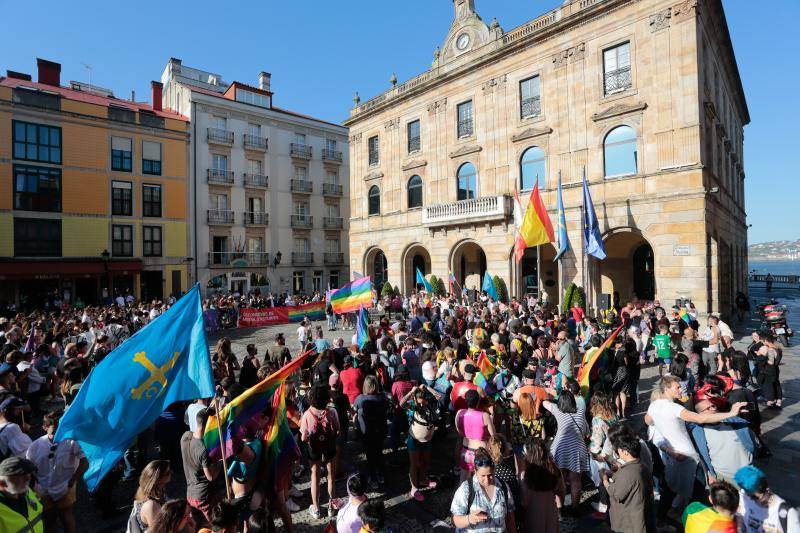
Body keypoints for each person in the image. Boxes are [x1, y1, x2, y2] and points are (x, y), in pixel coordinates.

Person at [645, 376, 747, 515]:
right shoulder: (674, 408)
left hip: (674, 456)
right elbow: (701, 418)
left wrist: (662, 424)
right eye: (677, 387)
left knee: (670, 489)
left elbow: (648, 421)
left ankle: (662, 517)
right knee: (698, 493)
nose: (681, 389)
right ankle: (696, 520)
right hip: (689, 457)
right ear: (666, 389)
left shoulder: (654, 405)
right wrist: (730, 413)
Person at [26, 411, 87, 533]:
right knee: (49, 519)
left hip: (65, 486)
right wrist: (35, 486)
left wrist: (72, 481)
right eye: (54, 431)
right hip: (43, 489)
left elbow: (85, 462)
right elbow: (28, 467)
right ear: (45, 428)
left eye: (60, 429)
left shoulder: (71, 441)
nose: (58, 433)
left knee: (66, 516)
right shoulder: (35, 446)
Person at [450, 447, 517, 532]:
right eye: (483, 476)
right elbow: (454, 520)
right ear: (475, 471)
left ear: (494, 470)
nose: (487, 480)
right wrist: (469, 519)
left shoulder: (503, 487)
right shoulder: (466, 489)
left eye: (490, 475)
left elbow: (510, 518)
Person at [542, 390, 589, 513]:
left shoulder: (558, 410)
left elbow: (544, 403)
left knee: (560, 480)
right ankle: (575, 508)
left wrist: (552, 398)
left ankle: (560, 508)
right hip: (577, 448)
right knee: (576, 480)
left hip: (560, 449)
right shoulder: (580, 412)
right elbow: (585, 431)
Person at [690, 398, 756, 485]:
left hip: (748, 471)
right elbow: (701, 456)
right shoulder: (698, 433)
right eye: (708, 408)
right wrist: (710, 474)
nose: (713, 408)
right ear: (700, 415)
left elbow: (751, 440)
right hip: (725, 477)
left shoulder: (734, 421)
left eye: (713, 405)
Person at [299, 384, 340, 519]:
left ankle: (316, 509)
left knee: (315, 477)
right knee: (331, 477)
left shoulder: (307, 414)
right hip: (329, 447)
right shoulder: (332, 412)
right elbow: (337, 430)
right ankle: (331, 507)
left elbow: (303, 437)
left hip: (314, 449)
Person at [602, 431, 655, 533]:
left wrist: (604, 479)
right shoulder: (642, 466)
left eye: (619, 449)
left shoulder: (627, 473)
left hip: (631, 521)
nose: (617, 451)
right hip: (643, 513)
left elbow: (616, 494)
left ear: (626, 451)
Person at [180, 408, 221, 522]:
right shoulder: (203, 449)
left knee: (196, 526)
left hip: (190, 494)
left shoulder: (185, 436)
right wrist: (219, 462)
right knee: (213, 524)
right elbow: (211, 477)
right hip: (203, 496)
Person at [399, 385, 439, 501]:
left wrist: (426, 387)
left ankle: (423, 480)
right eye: (419, 403)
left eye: (423, 402)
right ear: (415, 400)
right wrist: (411, 391)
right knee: (414, 464)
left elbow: (438, 396)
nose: (421, 405)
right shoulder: (412, 406)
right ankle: (414, 488)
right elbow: (401, 403)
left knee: (425, 461)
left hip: (427, 440)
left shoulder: (429, 405)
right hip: (414, 440)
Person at [735, 465, 800, 533]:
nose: (749, 497)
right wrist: (740, 528)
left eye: (755, 496)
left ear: (766, 489)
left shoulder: (787, 512)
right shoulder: (744, 497)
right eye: (749, 494)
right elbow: (740, 517)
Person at [352, 376, 389, 490]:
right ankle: (381, 475)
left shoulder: (360, 399)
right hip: (380, 431)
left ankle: (373, 479)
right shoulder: (382, 397)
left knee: (370, 456)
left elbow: (354, 409)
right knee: (379, 453)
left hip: (366, 433)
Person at [519, 438, 564, 533]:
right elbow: (561, 492)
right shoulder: (554, 470)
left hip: (533, 516)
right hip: (550, 513)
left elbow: (524, 502)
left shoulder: (525, 475)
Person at [455, 389, 496, 482]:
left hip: (466, 451)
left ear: (466, 400)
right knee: (481, 482)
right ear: (478, 401)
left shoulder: (459, 413)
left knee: (463, 480)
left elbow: (459, 431)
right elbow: (493, 435)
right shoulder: (484, 416)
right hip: (481, 453)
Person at [127, 460, 172, 533]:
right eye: (167, 473)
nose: (171, 473)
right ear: (157, 480)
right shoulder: (151, 505)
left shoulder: (159, 492)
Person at [0, 457, 43, 533]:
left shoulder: (27, 491)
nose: (28, 477)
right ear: (2, 484)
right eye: (20, 475)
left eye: (28, 473)